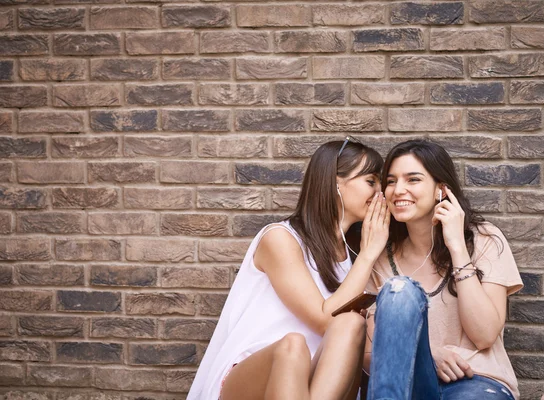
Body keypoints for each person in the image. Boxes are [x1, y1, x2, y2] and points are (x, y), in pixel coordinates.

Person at [187, 138, 390, 400]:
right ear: (335, 182)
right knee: (293, 346)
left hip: (318, 383)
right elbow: (323, 321)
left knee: (351, 323)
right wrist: (369, 253)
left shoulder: (353, 253)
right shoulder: (281, 239)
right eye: (371, 181)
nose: (380, 193)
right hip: (254, 376)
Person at [364, 140, 523, 400]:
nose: (398, 190)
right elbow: (373, 356)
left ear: (441, 189)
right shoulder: (380, 257)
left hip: (477, 381)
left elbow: (484, 335)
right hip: (409, 385)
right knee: (399, 289)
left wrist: (457, 247)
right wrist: (426, 354)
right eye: (390, 181)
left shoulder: (484, 239)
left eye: (412, 179)